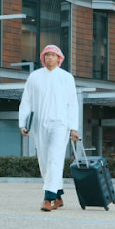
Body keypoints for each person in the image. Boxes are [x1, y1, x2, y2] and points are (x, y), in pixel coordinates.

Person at [19, 45, 79, 211]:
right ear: (43, 58)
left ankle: (48, 198)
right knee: (44, 160)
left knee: (55, 158)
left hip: (61, 124)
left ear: (59, 58)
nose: (50, 58)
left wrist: (73, 128)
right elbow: (26, 101)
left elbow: (72, 104)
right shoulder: (34, 77)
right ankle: (58, 195)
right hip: (40, 124)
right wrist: (23, 124)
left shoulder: (66, 78)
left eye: (53, 55)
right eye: (47, 55)